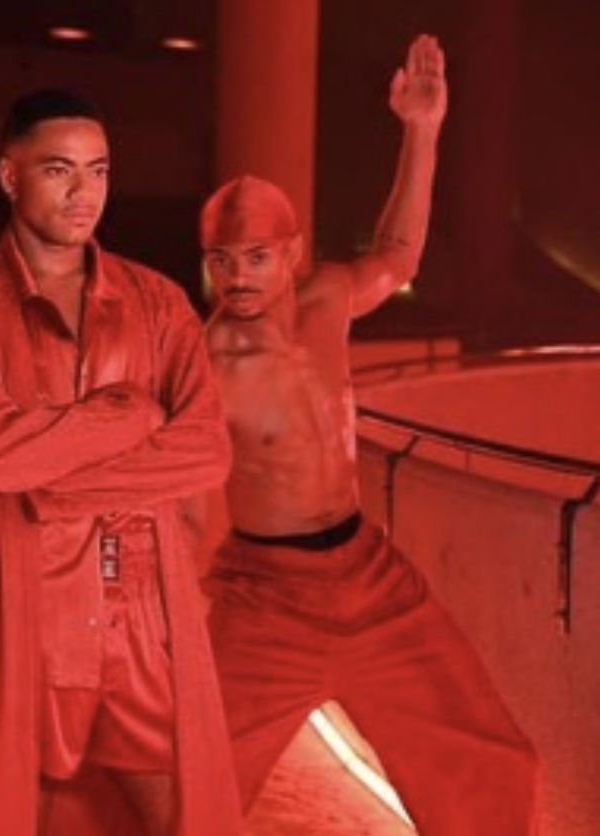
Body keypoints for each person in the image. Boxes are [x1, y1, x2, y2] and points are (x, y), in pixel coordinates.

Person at [200, 34, 538, 833]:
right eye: (222, 260)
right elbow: (161, 479)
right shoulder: (207, 359)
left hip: (368, 572)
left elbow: (398, 253)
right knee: (182, 786)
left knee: (494, 761)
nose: (238, 277)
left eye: (256, 257)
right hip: (264, 596)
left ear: (292, 253)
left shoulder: (326, 298)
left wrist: (422, 130)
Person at [0, 88, 242, 836]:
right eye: (59, 169)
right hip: (23, 603)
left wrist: (53, 487)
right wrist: (128, 413)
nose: (83, 191)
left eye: (98, 170)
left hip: (144, 608)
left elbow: (206, 449)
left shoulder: (159, 303)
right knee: (17, 809)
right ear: (10, 176)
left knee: (179, 813)